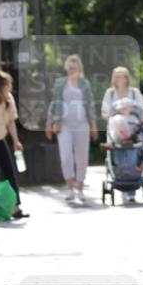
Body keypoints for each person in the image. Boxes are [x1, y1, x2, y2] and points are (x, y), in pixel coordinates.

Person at [46, 54, 98, 203]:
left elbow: (90, 105)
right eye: (69, 67)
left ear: (79, 68)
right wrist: (49, 123)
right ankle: (70, 187)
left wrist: (94, 125)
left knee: (82, 157)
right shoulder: (60, 83)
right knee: (66, 156)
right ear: (66, 68)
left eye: (74, 67)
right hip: (64, 125)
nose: (71, 70)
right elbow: (54, 103)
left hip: (82, 125)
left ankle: (80, 187)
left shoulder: (85, 84)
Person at [0, 70, 28, 219]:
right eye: (7, 85)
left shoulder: (9, 100)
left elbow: (11, 122)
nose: (10, 87)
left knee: (9, 171)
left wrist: (16, 141)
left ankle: (16, 208)